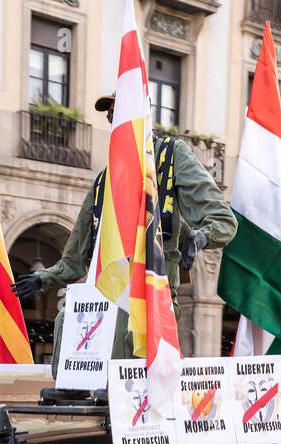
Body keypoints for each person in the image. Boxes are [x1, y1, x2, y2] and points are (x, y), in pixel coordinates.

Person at [12, 94, 237, 376]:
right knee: (67, 318)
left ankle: (113, 406)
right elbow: (75, 259)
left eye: (121, 114)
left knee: (121, 325)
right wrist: (42, 277)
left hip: (151, 293)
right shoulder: (105, 181)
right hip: (108, 288)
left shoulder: (170, 155)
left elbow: (223, 218)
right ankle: (70, 398)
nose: (114, 121)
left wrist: (201, 236)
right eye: (110, 117)